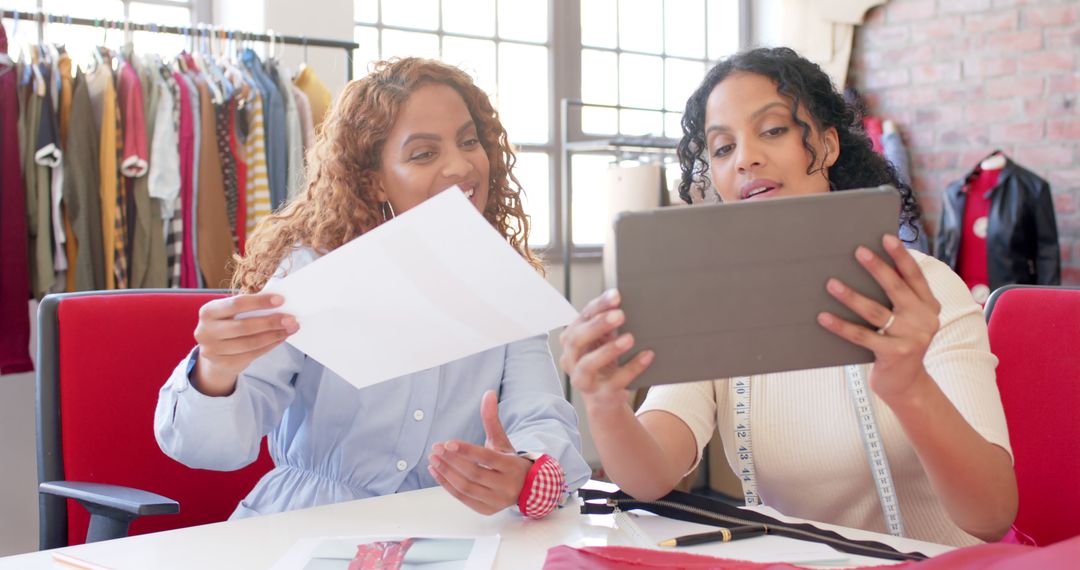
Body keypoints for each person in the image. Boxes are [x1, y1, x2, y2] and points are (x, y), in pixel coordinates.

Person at [561, 47, 1017, 547]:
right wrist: (604, 404)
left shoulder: (922, 292)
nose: (745, 158)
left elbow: (992, 515)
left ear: (825, 146)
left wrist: (909, 387)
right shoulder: (716, 307)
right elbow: (650, 476)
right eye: (721, 147)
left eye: (773, 130)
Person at [154, 58, 590, 520]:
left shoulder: (506, 283)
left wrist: (524, 470)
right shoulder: (310, 271)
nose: (461, 166)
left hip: (455, 528)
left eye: (469, 142)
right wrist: (217, 372)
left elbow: (541, 417)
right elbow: (212, 451)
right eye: (424, 153)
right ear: (373, 179)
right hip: (310, 524)